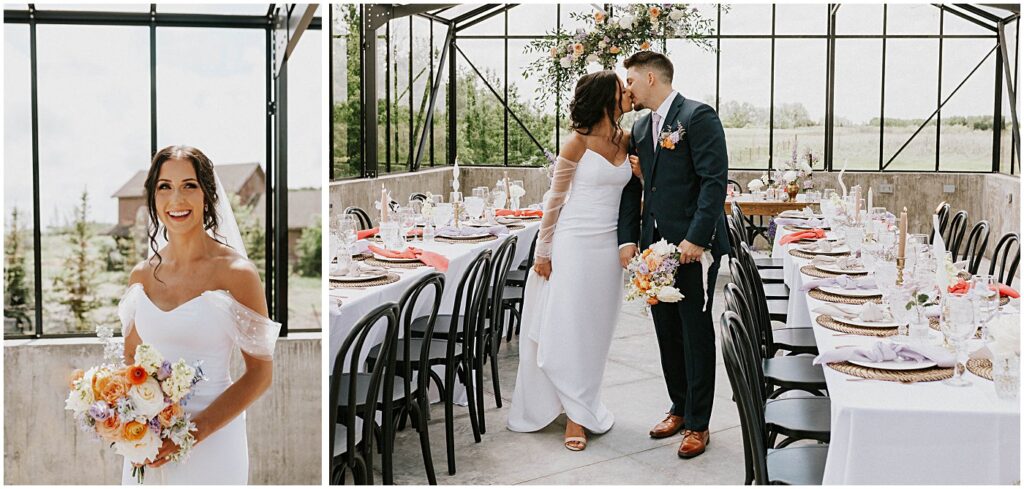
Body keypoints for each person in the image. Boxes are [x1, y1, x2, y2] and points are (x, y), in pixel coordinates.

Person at [118, 145, 279, 484]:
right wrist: (122, 417)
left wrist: (192, 432)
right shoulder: (140, 276)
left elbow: (260, 374)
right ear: (154, 197)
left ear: (207, 194)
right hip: (150, 442)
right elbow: (131, 360)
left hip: (215, 440)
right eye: (165, 186)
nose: (176, 199)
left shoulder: (237, 273)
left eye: (189, 185)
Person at [507, 71, 634, 451]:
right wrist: (543, 252)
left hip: (610, 250)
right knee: (571, 328)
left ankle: (585, 401)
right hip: (575, 244)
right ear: (604, 100)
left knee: (597, 331)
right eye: (619, 91)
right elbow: (554, 200)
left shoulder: (628, 140)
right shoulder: (575, 143)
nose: (627, 94)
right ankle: (575, 418)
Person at [617, 51, 731, 459]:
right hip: (653, 249)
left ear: (650, 77)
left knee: (694, 333)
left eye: (630, 80)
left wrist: (697, 239)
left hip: (690, 250)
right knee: (666, 330)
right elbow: (635, 187)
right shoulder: (640, 126)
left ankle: (699, 423)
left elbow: (714, 182)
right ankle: (678, 407)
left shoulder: (698, 117)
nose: (626, 87)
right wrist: (628, 239)